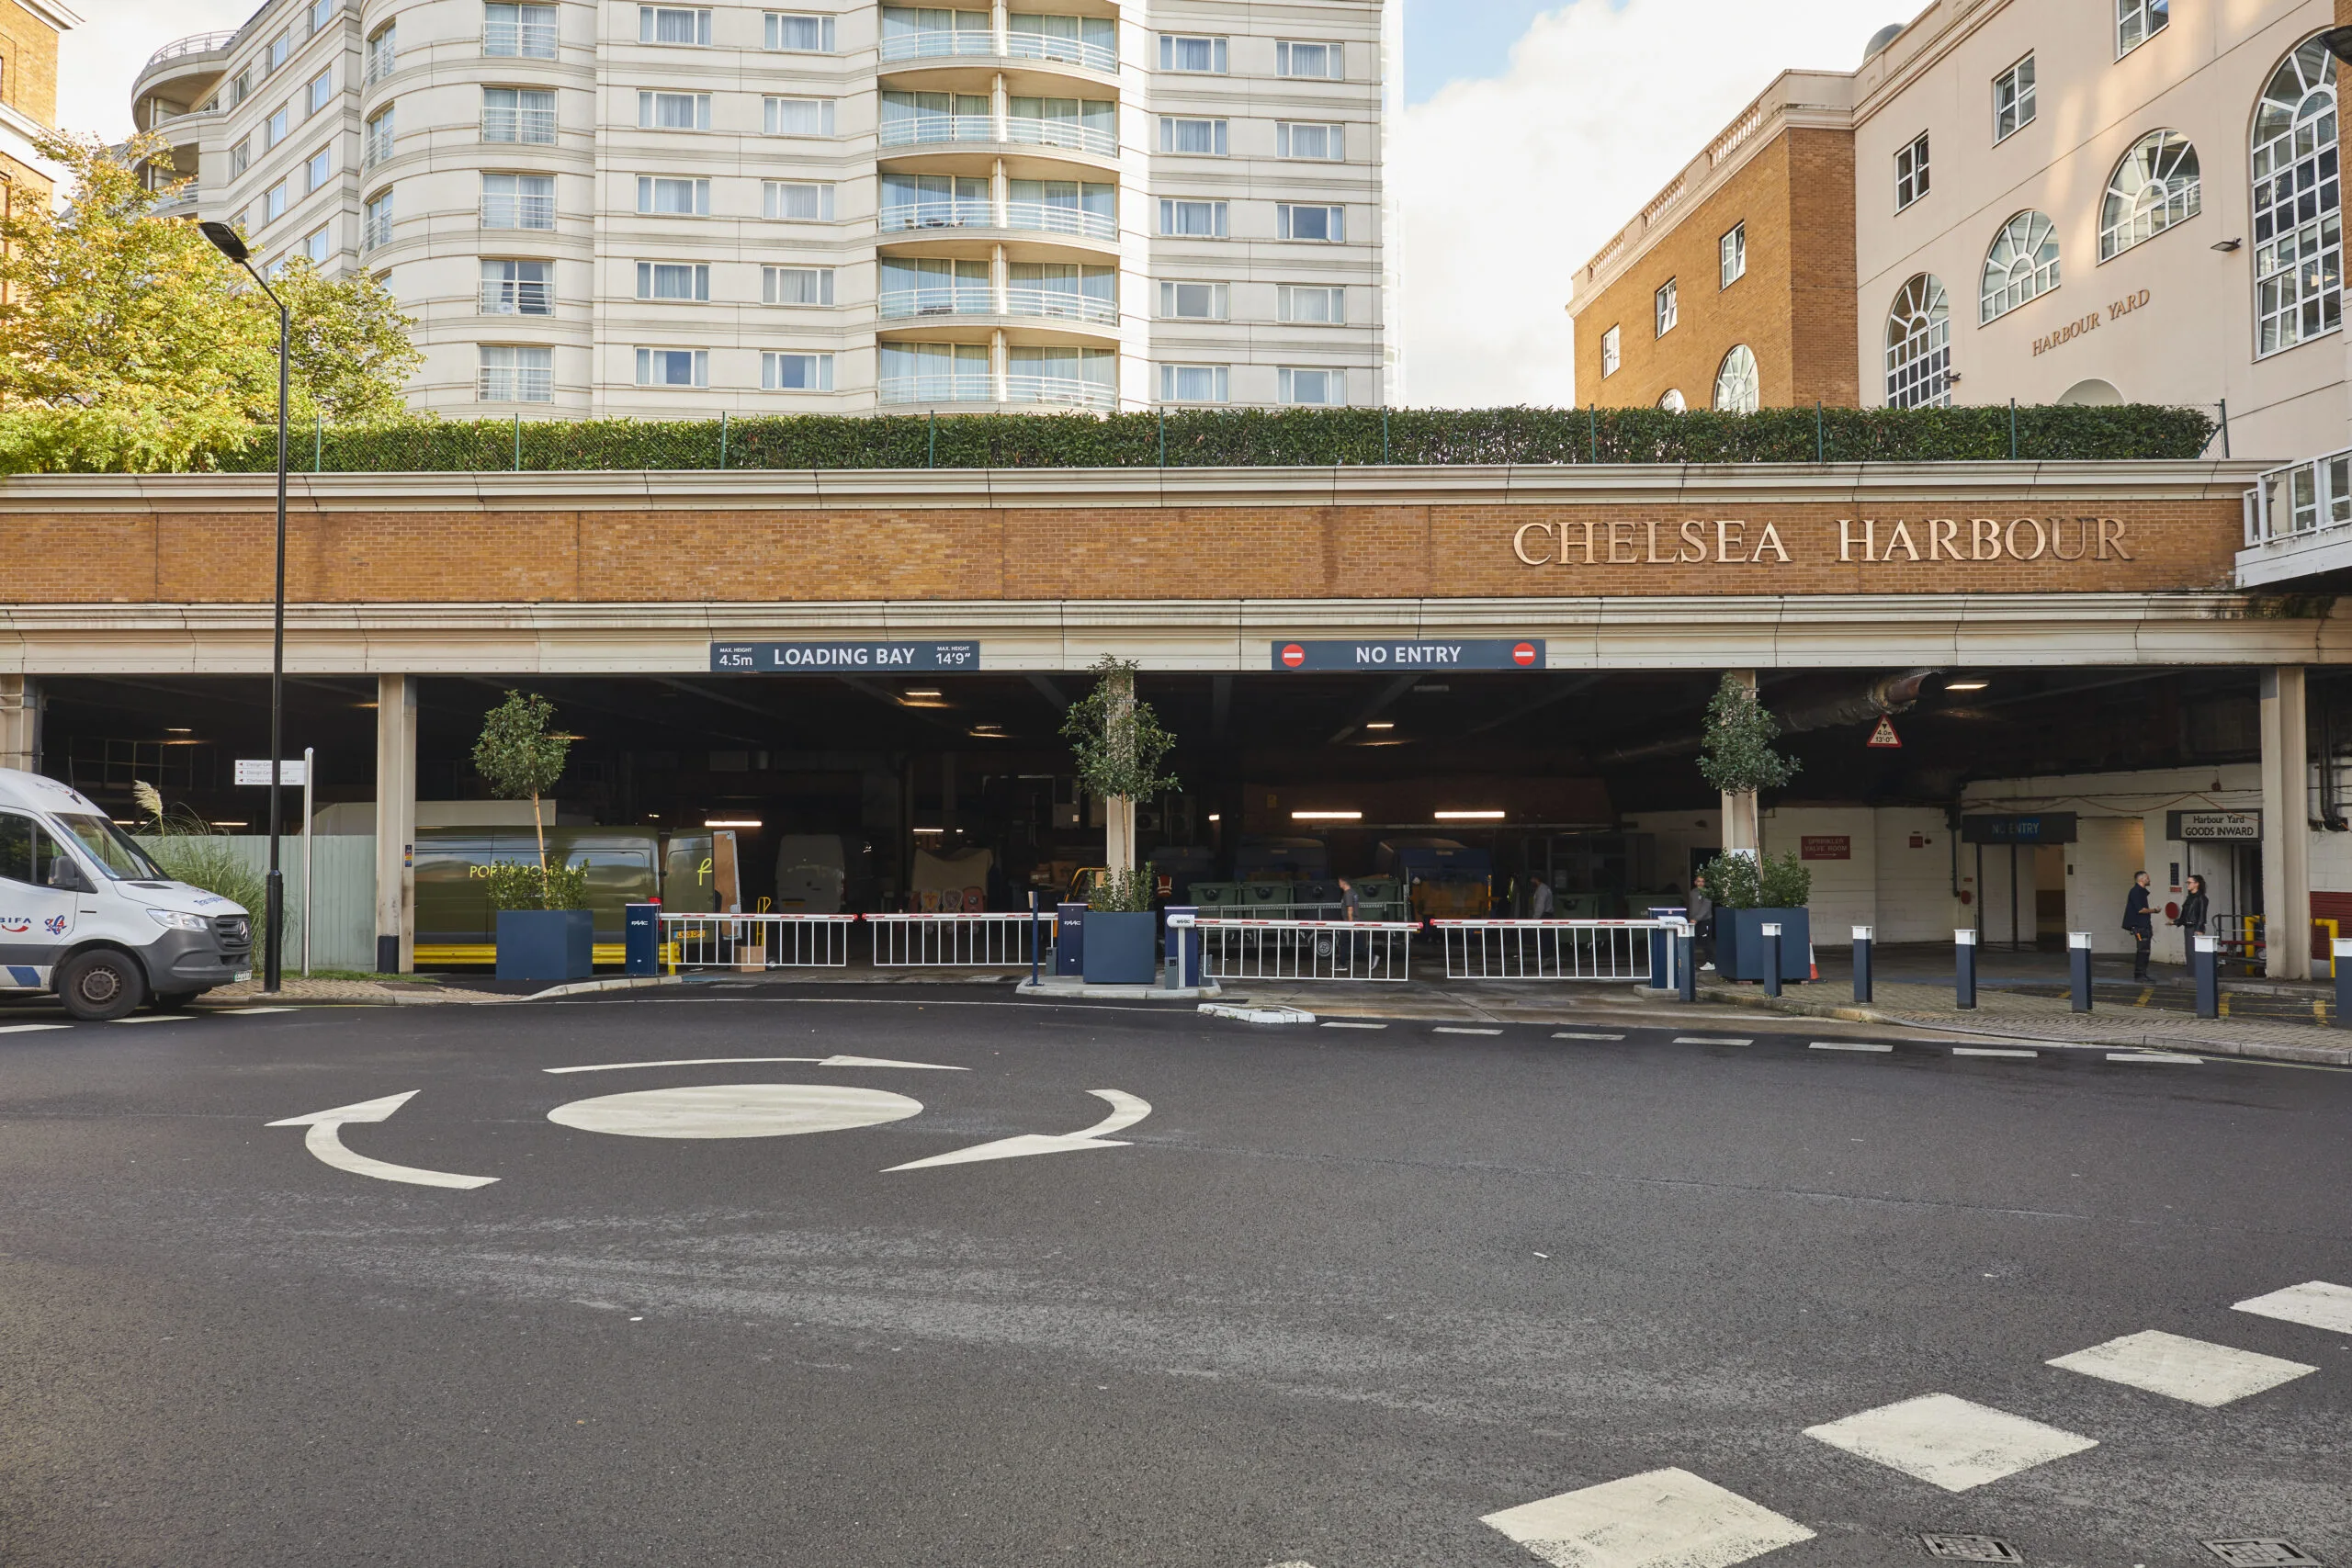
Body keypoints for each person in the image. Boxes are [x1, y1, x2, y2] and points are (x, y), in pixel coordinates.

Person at [2122, 870, 2154, 980]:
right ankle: (2140, 974)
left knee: (2144, 950)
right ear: (2141, 879)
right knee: (2143, 950)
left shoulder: (2140, 892)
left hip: (2143, 926)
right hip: (2140, 927)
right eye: (2147, 878)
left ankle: (2141, 974)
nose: (2149, 880)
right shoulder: (2136, 892)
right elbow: (2140, 910)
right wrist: (2154, 910)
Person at [1689, 871, 1715, 974]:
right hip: (1694, 921)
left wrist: (1696, 919)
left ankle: (1710, 963)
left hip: (1705, 921)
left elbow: (1706, 908)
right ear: (1695, 882)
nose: (1700, 883)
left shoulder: (1707, 893)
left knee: (1706, 942)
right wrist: (1691, 918)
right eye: (1698, 881)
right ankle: (1692, 962)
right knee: (1693, 941)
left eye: (1702, 881)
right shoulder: (1692, 892)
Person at [2173, 874, 2210, 940]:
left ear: (2196, 884)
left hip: (2195, 927)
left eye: (2189, 883)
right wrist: (2176, 922)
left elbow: (2202, 915)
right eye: (2187, 883)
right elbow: (2186, 914)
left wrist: (2199, 929)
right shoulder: (2189, 897)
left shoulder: (2201, 898)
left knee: (2193, 945)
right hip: (2188, 927)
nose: (2187, 884)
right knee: (2189, 945)